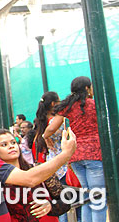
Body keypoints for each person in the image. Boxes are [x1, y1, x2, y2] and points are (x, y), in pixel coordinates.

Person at [45, 76, 107, 222]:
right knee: (98, 197)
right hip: (94, 154)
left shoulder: (68, 106)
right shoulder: (95, 105)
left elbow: (51, 128)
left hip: (75, 156)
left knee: (86, 196)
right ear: (87, 88)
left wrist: (45, 137)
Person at [0, 129, 71, 221]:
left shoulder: (39, 169)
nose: (11, 146)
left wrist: (50, 205)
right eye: (4, 145)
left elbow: (66, 201)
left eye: (13, 142)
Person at [34, 91, 68, 222]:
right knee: (66, 198)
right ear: (54, 103)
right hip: (62, 162)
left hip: (50, 163)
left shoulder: (41, 121)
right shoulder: (57, 119)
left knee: (57, 197)